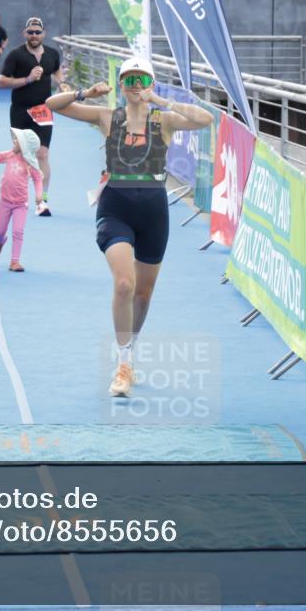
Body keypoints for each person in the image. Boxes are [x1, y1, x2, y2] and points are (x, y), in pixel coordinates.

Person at [46, 57, 213, 397]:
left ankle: (130, 353)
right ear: (121, 85)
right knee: (124, 283)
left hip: (153, 210)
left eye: (142, 80)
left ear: (150, 84)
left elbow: (206, 119)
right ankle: (122, 364)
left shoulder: (164, 120)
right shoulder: (108, 117)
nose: (136, 86)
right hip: (116, 206)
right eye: (129, 80)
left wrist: (162, 100)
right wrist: (86, 92)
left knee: (143, 293)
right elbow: (53, 105)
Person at [0, 16, 64, 217]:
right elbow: (1, 81)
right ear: (24, 34)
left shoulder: (52, 54)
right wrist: (27, 79)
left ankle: (42, 200)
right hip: (20, 111)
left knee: (42, 154)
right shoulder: (16, 55)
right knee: (21, 156)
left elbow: (58, 73)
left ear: (43, 34)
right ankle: (15, 195)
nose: (34, 35)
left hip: (43, 110)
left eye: (37, 32)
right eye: (30, 32)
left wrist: (63, 84)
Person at [0, 128, 43, 272]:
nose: (14, 141)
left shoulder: (30, 163)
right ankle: (0, 242)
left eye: (17, 140)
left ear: (25, 146)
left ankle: (14, 261)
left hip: (20, 204)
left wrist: (39, 195)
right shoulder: (9, 155)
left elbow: (38, 180)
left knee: (18, 231)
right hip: (5, 202)